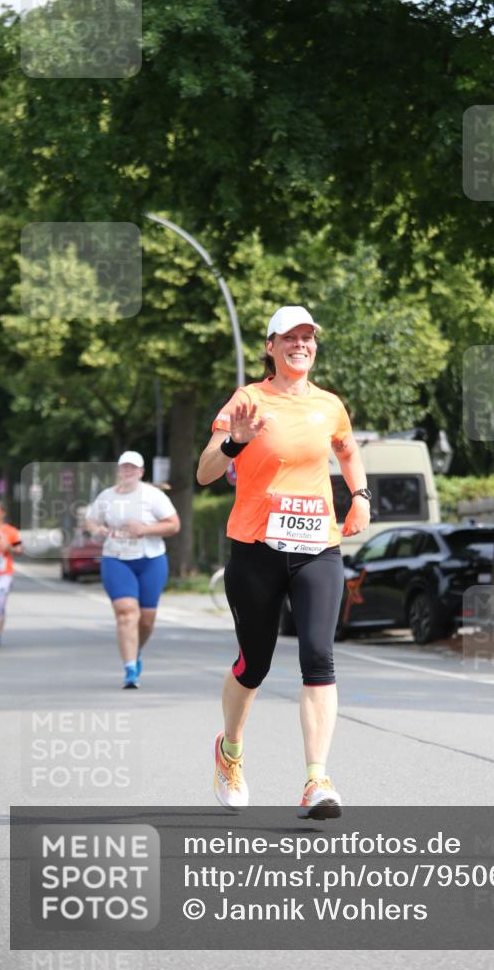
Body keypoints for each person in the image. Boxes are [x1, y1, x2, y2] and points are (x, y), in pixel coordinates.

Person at [197, 305, 371, 819]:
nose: (301, 344)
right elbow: (206, 472)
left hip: (317, 546)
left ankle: (317, 781)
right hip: (257, 549)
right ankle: (230, 750)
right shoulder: (248, 400)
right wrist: (235, 442)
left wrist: (359, 495)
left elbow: (347, 449)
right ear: (270, 347)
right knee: (255, 663)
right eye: (289, 337)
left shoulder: (330, 406)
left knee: (319, 657)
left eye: (308, 337)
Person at [85, 452, 180, 689]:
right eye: (124, 467)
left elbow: (173, 525)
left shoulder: (152, 495)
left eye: (133, 468)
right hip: (116, 559)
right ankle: (129, 669)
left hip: (151, 560)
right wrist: (97, 529)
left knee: (146, 620)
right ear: (118, 470)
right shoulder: (106, 496)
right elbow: (91, 520)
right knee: (126, 612)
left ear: (141, 472)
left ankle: (135, 650)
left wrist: (145, 529)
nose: (128, 472)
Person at [0, 504, 22, 647]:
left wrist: (7, 545)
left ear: (2, 514)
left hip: (5, 573)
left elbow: (19, 548)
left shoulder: (11, 531)